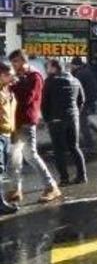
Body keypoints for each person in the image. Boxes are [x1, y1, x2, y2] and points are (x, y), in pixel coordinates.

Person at [4, 51, 61, 204]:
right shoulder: (18, 77)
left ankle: (51, 186)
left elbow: (27, 99)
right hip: (14, 122)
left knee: (30, 155)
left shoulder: (34, 77)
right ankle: (16, 189)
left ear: (24, 61)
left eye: (16, 62)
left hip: (26, 121)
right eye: (12, 62)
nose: (13, 65)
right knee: (14, 157)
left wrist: (12, 85)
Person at [42, 59, 87, 186]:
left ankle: (64, 178)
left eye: (48, 67)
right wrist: (75, 113)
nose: (47, 69)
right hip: (73, 118)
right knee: (74, 147)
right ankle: (82, 175)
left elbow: (44, 102)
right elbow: (82, 100)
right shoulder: (75, 80)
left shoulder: (50, 81)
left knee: (59, 150)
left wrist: (47, 119)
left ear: (54, 68)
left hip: (56, 119)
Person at [0, 62, 19, 215]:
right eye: (8, 75)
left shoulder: (8, 90)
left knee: (2, 169)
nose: (12, 77)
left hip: (6, 134)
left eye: (12, 74)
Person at [70, 57, 97, 151]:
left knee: (83, 124)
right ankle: (89, 144)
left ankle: (89, 145)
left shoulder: (80, 74)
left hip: (84, 103)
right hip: (89, 101)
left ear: (75, 65)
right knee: (83, 124)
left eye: (72, 65)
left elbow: (76, 90)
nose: (71, 67)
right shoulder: (87, 71)